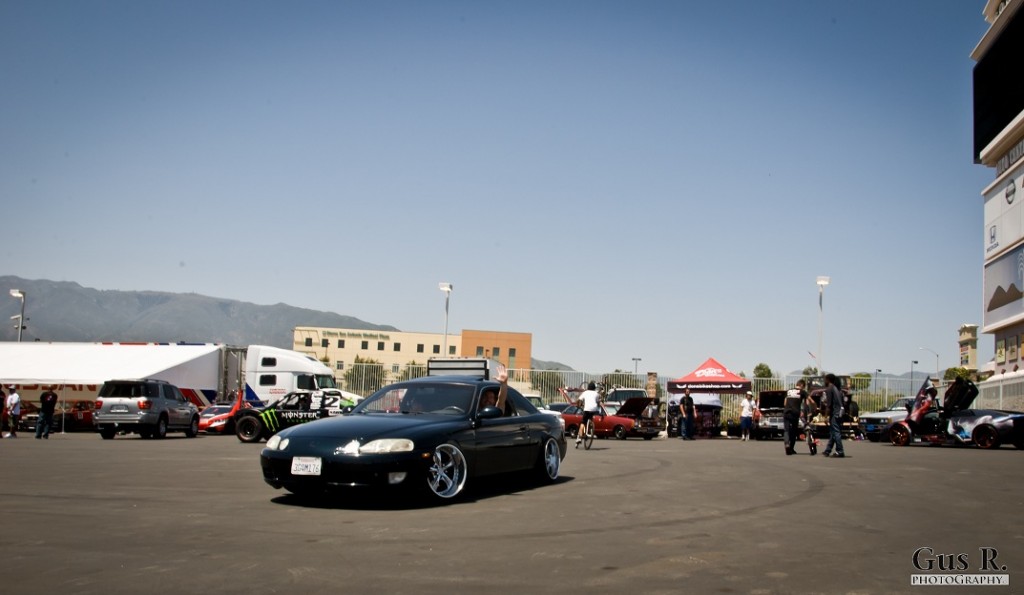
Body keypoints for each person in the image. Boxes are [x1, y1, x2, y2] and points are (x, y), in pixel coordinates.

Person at [821, 373, 846, 458]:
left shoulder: (830, 389)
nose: (824, 381)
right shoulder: (837, 389)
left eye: (825, 379)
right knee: (833, 432)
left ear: (828, 380)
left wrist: (825, 417)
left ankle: (840, 451)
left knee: (836, 432)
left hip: (835, 413)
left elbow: (829, 405)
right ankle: (827, 450)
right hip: (839, 412)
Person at [783, 380, 807, 455]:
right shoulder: (802, 392)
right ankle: (791, 448)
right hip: (795, 413)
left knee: (786, 430)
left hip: (787, 412)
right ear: (802, 385)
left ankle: (787, 444)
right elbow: (808, 402)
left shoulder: (788, 391)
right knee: (794, 430)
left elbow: (785, 403)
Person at [575, 381, 602, 448]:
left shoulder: (585, 392)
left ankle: (579, 437)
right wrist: (598, 406)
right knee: (590, 418)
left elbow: (579, 400)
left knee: (583, 423)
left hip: (587, 409)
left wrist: (578, 405)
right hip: (594, 410)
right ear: (594, 388)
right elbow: (598, 403)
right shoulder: (596, 394)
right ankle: (590, 429)